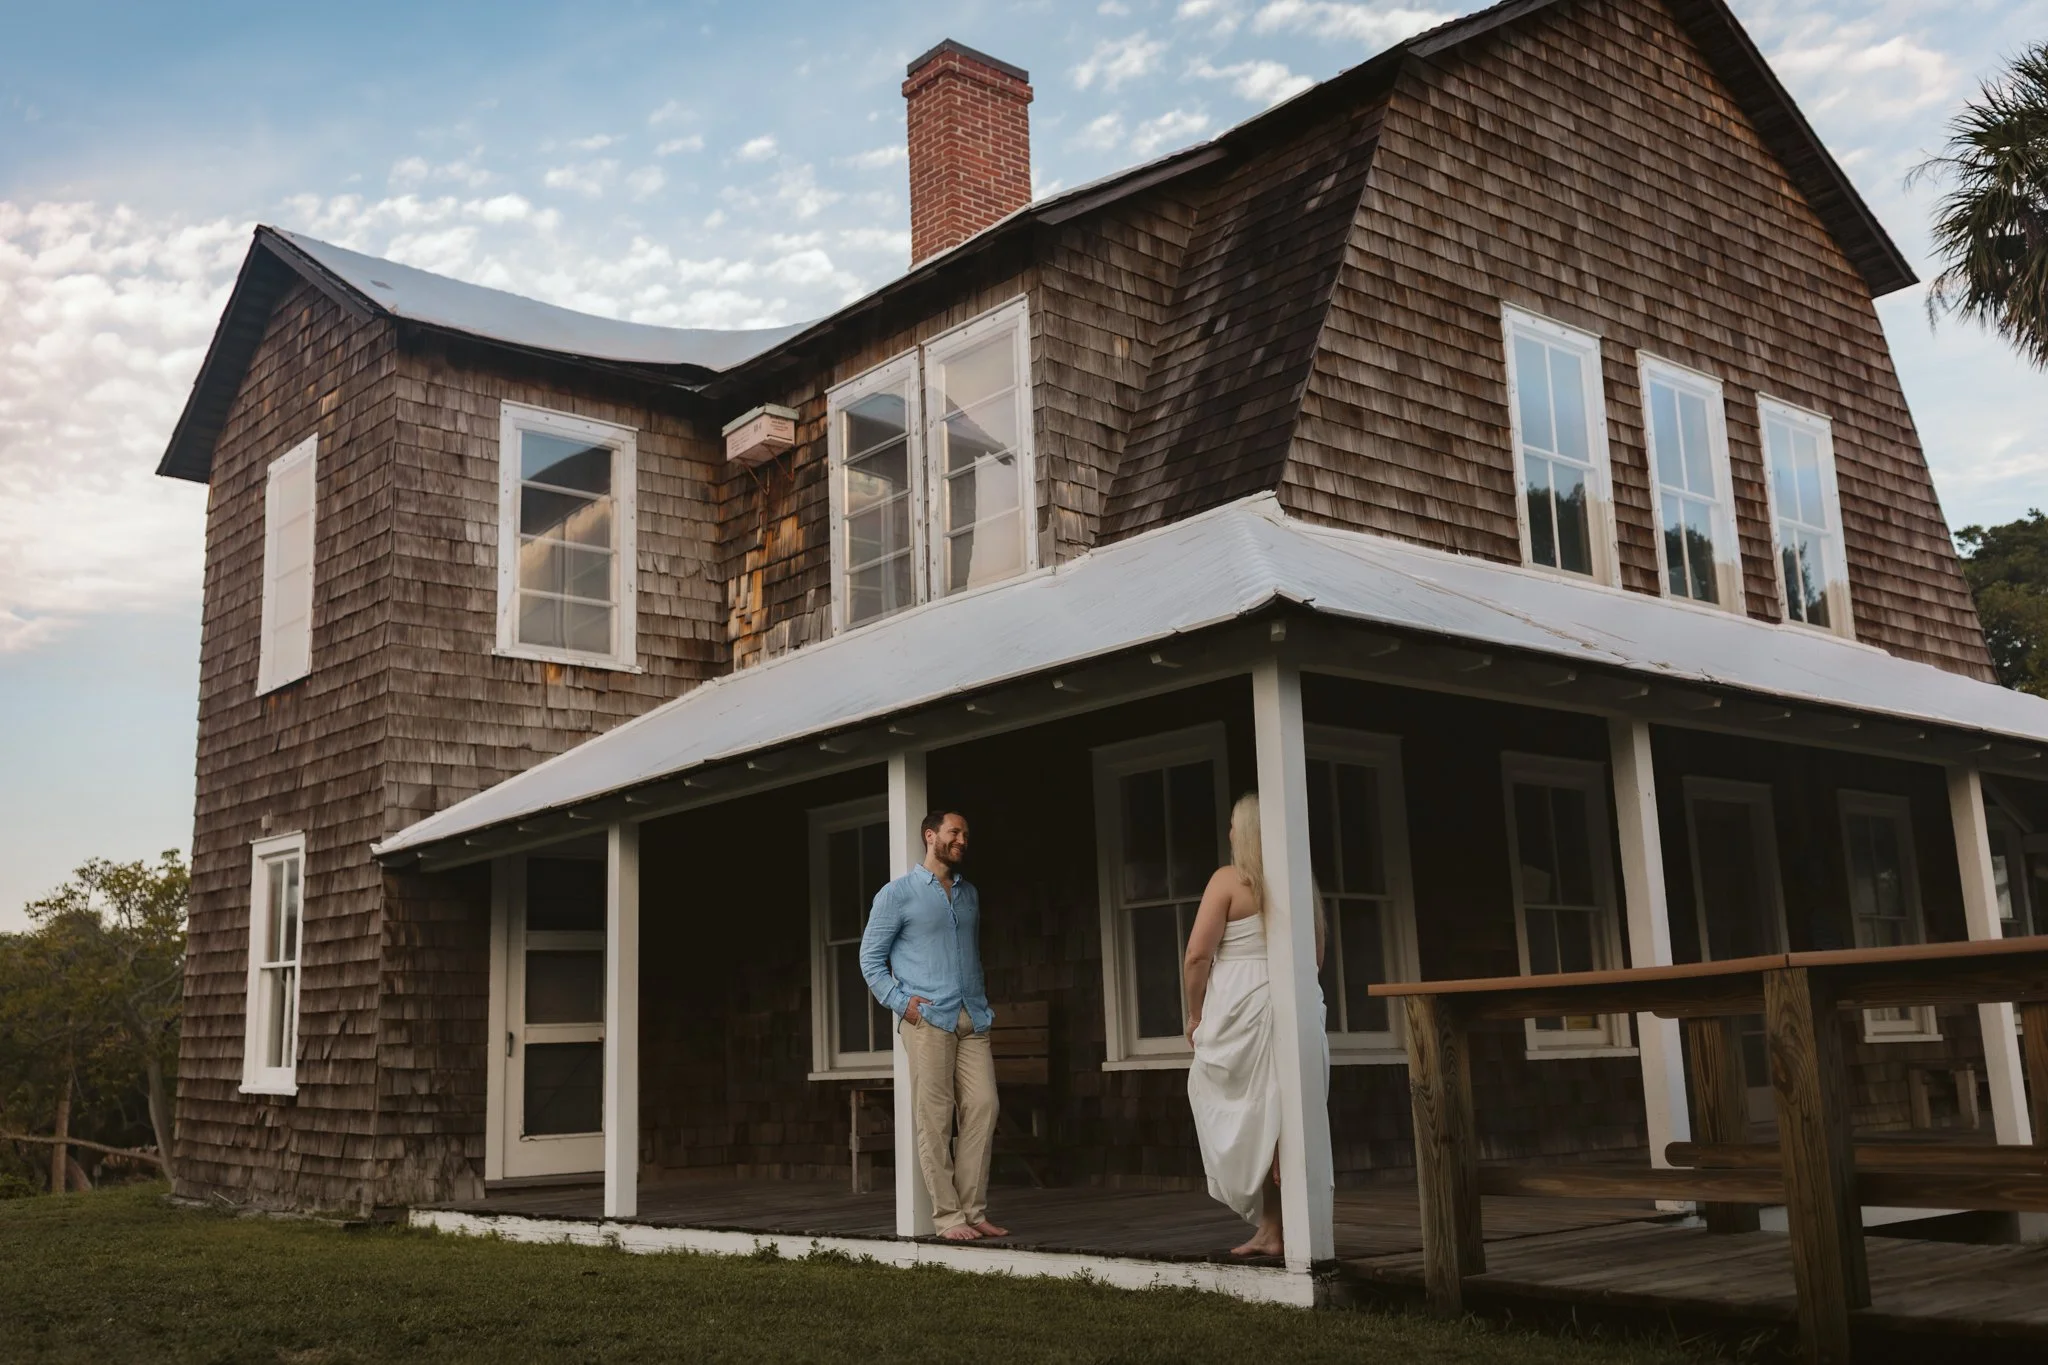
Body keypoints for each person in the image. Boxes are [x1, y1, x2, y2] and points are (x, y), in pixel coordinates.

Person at [1182, 791, 1325, 1258]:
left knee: (1248, 1112)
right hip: (1293, 998)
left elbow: (1197, 956)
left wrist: (1195, 1013)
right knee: (1283, 1116)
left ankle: (1274, 1230)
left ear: (1244, 832)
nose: (1227, 833)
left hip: (1241, 1005)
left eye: (1231, 825)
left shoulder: (1227, 880)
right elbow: (1316, 957)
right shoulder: (1302, 883)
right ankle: (1274, 1230)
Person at [859, 810, 1009, 1242]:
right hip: (927, 1020)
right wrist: (901, 1003)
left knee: (984, 1106)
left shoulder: (968, 894)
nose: (962, 839)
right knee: (935, 1119)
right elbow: (870, 960)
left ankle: (974, 1210)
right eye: (954, 832)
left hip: (972, 1017)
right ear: (931, 835)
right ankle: (948, 1218)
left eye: (966, 833)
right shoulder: (898, 894)